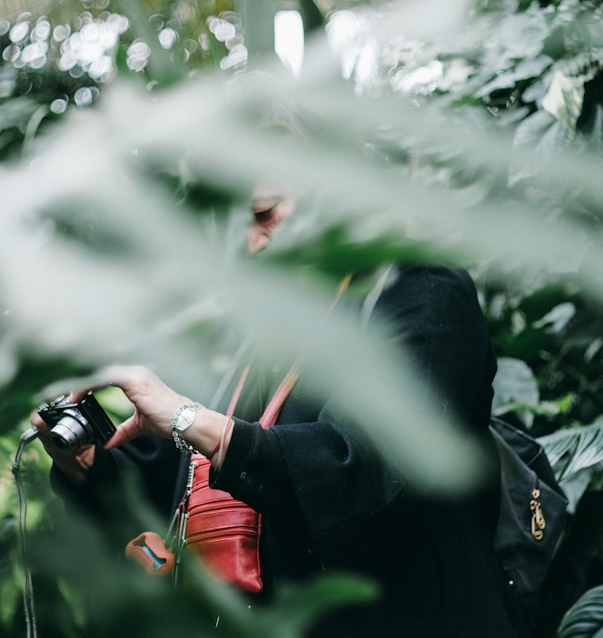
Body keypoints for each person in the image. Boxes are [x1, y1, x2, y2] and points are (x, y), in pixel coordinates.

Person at [31, 191, 530, 637]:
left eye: (265, 215)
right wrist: (90, 465)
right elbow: (198, 486)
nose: (253, 245)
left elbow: (370, 472)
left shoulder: (420, 289)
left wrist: (189, 419)